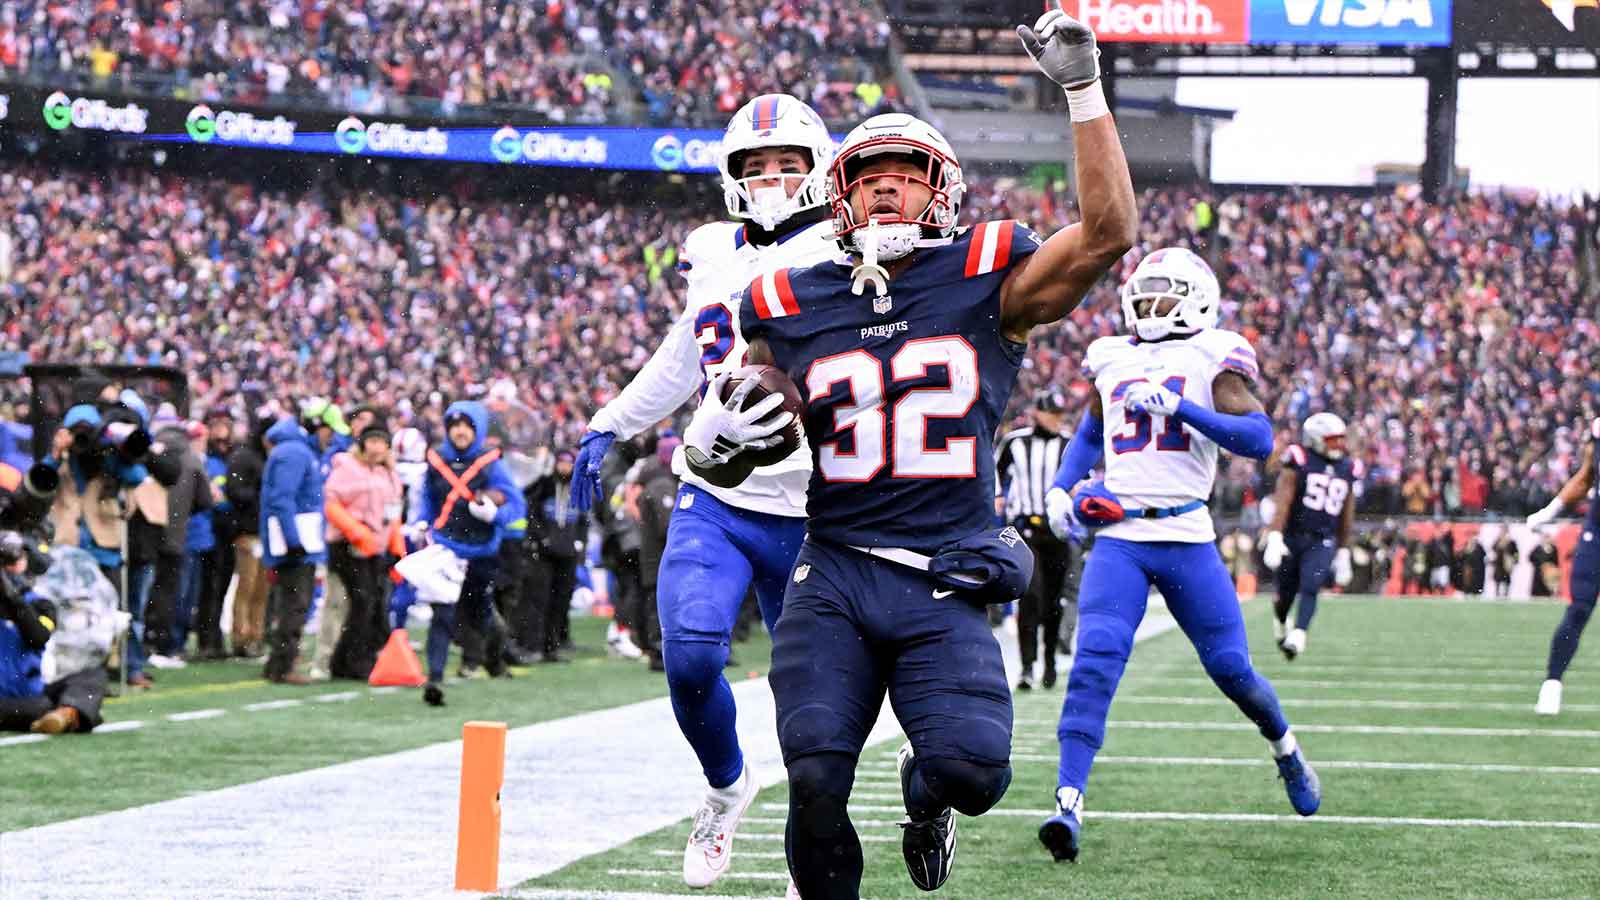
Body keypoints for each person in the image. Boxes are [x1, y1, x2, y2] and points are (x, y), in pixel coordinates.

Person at [699, 13, 1136, 893]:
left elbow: (1107, 235)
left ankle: (923, 797)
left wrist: (1082, 91)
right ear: (840, 196)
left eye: (909, 175)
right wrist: (719, 448)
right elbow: (753, 422)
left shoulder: (985, 272)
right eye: (871, 178)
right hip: (837, 571)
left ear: (943, 192)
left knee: (975, 774)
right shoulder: (785, 296)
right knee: (815, 780)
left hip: (944, 574)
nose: (889, 190)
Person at [568, 92, 839, 888]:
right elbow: (689, 352)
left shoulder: (849, 249)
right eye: (757, 166)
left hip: (813, 507)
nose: (773, 178)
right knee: (688, 657)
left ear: (820, 170)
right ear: (731, 175)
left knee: (812, 703)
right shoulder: (713, 248)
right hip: (717, 493)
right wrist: (611, 421)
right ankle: (726, 788)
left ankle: (808, 855)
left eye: (790, 164)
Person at [1040, 245, 1320, 863]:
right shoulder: (1112, 358)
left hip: (1186, 535)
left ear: (1196, 300)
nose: (1146, 301)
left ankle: (1285, 748)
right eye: (1143, 290)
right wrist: (1062, 487)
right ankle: (1068, 804)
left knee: (1232, 671)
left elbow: (1258, 437)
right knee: (1094, 664)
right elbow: (1092, 433)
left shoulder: (1212, 355)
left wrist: (1185, 409)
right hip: (1121, 537)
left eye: (1163, 290)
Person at [417, 401, 524, 706]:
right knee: (443, 613)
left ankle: (495, 656)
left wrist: (495, 514)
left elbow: (516, 505)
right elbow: (427, 499)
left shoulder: (491, 463)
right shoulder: (436, 460)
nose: (460, 431)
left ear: (476, 429)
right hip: (446, 546)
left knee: (479, 613)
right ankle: (434, 680)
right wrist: (421, 523)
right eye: (454, 425)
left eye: (466, 425)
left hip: (481, 550)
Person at [1260, 413, 1361, 660]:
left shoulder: (1347, 467)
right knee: (1285, 593)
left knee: (1311, 583)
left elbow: (1347, 512)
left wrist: (1344, 549)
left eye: (1340, 439)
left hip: (1322, 538)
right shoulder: (1299, 459)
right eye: (1332, 439)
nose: (1338, 444)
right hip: (1293, 536)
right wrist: (1275, 535)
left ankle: (1299, 633)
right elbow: (1283, 499)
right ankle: (1282, 622)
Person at [995, 389, 1078, 690]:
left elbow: (1081, 479)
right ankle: (1028, 667)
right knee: (1030, 596)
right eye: (1051, 414)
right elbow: (993, 473)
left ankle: (1050, 661)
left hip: (1057, 531)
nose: (1056, 420)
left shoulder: (1069, 445)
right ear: (1038, 414)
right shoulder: (1015, 442)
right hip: (1024, 530)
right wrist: (998, 498)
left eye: (1060, 415)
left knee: (1054, 601)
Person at [1526, 416, 1599, 715]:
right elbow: (1586, 476)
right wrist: (1550, 511)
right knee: (1579, 607)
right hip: (1598, 531)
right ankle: (1552, 684)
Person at [322, 417, 403, 680]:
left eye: (382, 442)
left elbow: (393, 514)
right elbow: (332, 504)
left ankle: (357, 658)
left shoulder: (389, 474)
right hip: (348, 547)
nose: (377, 448)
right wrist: (355, 531)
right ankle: (349, 660)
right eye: (372, 441)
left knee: (373, 603)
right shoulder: (347, 467)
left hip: (375, 549)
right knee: (361, 603)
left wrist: (397, 548)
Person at [259, 416, 327, 685]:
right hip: (297, 542)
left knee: (291, 604)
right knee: (295, 605)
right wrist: (293, 540)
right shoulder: (295, 452)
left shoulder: (288, 450)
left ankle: (278, 662)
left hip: (294, 539)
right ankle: (283, 665)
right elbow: (282, 499)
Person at [523, 450, 586, 663]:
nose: (565, 467)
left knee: (560, 601)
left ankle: (552, 646)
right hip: (544, 553)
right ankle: (534, 645)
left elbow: (584, 519)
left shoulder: (580, 486)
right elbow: (531, 511)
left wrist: (579, 543)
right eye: (562, 462)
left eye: (570, 463)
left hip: (567, 552)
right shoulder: (544, 484)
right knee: (540, 599)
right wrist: (542, 538)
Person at [226, 418, 271, 657]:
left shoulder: (260, 456)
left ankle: (256, 635)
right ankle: (240, 637)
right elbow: (235, 491)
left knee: (261, 589)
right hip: (247, 531)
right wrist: (260, 495)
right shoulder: (243, 457)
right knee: (247, 586)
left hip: (262, 531)